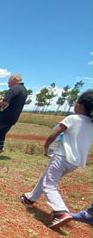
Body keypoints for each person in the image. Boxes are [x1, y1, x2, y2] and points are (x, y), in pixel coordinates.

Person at [19, 90, 93, 229]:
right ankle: (30, 198)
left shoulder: (72, 118)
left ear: (80, 105)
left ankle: (61, 212)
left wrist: (46, 146)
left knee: (49, 184)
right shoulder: (90, 123)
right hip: (75, 162)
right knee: (47, 177)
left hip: (62, 156)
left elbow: (55, 134)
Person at [0, 74, 28, 156]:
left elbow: (5, 103)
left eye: (9, 81)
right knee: (1, 133)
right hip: (13, 117)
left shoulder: (13, 89)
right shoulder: (24, 90)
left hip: (4, 116)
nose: (8, 83)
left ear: (15, 79)